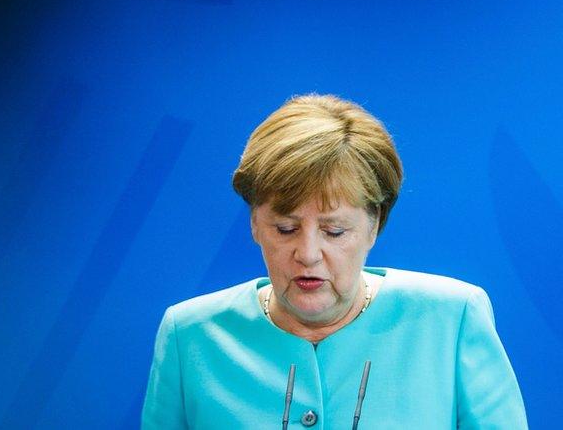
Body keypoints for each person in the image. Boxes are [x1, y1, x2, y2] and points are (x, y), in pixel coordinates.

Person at [141, 94, 527, 429]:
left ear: (374, 225)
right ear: (255, 223)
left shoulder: (452, 320)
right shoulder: (188, 336)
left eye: (335, 232)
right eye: (286, 228)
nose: (308, 254)